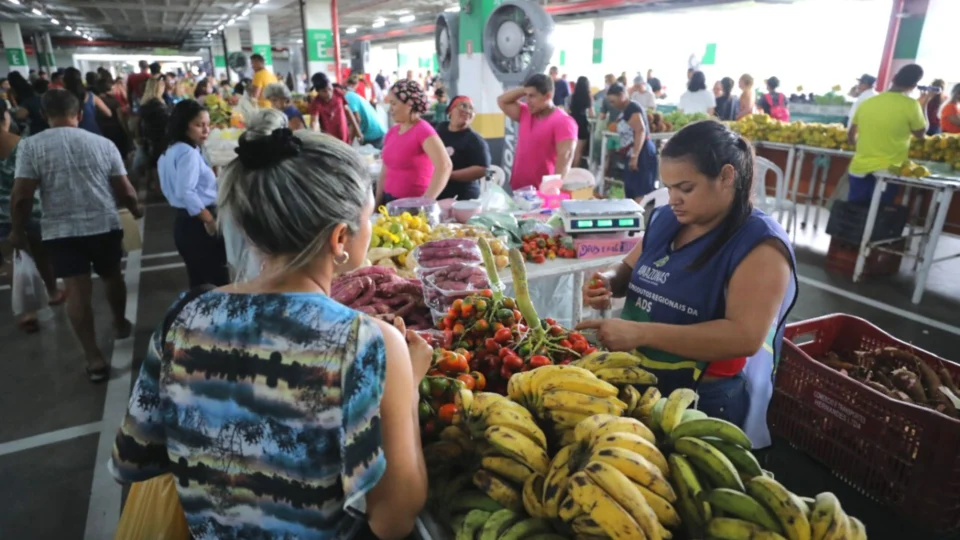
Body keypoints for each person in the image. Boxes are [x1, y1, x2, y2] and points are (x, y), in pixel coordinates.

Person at [109, 111, 431, 539]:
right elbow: (393, 520)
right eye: (369, 217)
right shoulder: (366, 343)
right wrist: (407, 388)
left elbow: (131, 458)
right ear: (340, 238)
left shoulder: (184, 316)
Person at [579, 120, 797, 448]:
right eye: (668, 188)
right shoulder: (667, 218)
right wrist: (607, 281)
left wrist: (639, 333)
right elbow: (628, 269)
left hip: (700, 400)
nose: (674, 199)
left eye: (686, 188)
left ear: (726, 177)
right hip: (639, 380)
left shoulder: (759, 245)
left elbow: (745, 337)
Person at [10, 89, 142, 382]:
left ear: (44, 117)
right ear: (79, 115)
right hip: (104, 223)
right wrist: (135, 208)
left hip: (60, 230)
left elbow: (21, 196)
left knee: (76, 290)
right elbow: (125, 188)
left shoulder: (31, 147)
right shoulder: (103, 143)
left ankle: (94, 359)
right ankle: (120, 324)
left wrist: (18, 230)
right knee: (112, 276)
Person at [0, 99, 64, 333]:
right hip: (33, 209)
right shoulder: (25, 145)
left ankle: (27, 311)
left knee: (13, 260)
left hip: (1, 218)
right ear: (5, 117)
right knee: (42, 254)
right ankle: (53, 291)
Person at [157, 100, 229, 287]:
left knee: (199, 282)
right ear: (183, 126)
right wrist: (209, 221)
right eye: (199, 125)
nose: (206, 130)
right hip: (199, 224)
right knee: (218, 282)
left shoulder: (169, 151)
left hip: (183, 223)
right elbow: (186, 191)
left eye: (207, 124)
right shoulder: (187, 153)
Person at [847, 64, 928, 205]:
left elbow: (850, 135)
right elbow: (921, 133)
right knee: (879, 214)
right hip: (888, 171)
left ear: (894, 78)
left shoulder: (868, 102)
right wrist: (925, 102)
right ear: (914, 86)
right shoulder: (911, 105)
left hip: (859, 167)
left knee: (854, 214)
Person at [498, 73, 577, 191]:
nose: (527, 100)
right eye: (526, 96)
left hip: (542, 193)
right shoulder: (526, 113)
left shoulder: (563, 121)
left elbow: (566, 156)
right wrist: (524, 90)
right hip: (518, 190)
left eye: (532, 96)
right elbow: (502, 101)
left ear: (547, 96)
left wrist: (552, 189)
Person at [378, 80, 452, 205]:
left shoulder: (423, 130)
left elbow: (445, 166)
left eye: (394, 103)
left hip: (412, 206)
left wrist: (425, 203)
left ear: (409, 104)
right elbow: (385, 170)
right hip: (389, 201)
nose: (390, 109)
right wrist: (377, 203)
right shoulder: (392, 132)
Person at [606, 83, 658, 201]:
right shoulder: (626, 110)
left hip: (641, 152)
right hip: (635, 151)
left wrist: (635, 156)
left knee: (639, 192)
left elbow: (640, 130)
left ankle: (640, 218)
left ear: (621, 95)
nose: (612, 105)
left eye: (613, 101)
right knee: (632, 190)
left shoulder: (632, 108)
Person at [436, 96, 492, 201]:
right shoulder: (439, 129)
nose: (467, 110)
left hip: (462, 197)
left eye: (471, 108)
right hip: (437, 191)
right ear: (450, 111)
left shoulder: (474, 139)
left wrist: (448, 174)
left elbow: (482, 169)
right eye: (463, 106)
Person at [308, 72, 359, 143]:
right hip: (331, 143)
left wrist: (358, 131)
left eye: (329, 88)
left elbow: (348, 111)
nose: (328, 93)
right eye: (324, 91)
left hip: (345, 138)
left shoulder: (338, 92)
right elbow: (314, 122)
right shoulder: (316, 103)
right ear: (318, 92)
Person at [63, 67, 111, 136]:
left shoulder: (62, 99)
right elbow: (108, 113)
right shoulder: (90, 96)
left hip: (72, 136)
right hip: (94, 134)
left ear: (64, 81)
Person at [345, 74, 387, 148]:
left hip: (375, 134)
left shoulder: (349, 96)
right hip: (372, 133)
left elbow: (357, 119)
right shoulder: (352, 95)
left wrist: (349, 143)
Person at [95, 75, 132, 158]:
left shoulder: (95, 100)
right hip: (115, 129)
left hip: (102, 130)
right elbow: (120, 119)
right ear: (107, 90)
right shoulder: (114, 101)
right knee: (121, 154)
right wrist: (126, 131)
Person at [569, 76, 594, 170]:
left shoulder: (572, 96)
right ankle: (575, 172)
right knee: (578, 152)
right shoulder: (588, 97)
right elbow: (592, 114)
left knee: (571, 150)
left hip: (572, 122)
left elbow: (567, 110)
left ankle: (568, 171)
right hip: (582, 123)